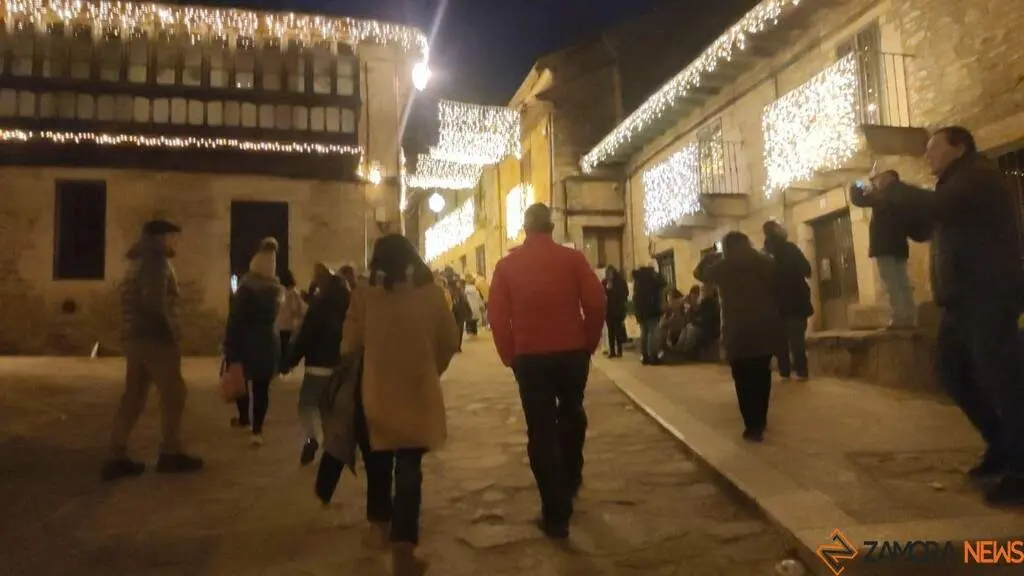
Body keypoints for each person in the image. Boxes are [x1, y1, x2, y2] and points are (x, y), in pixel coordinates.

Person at [870, 126, 1024, 504]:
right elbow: (925, 228)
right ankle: (1002, 445)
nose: (928, 155)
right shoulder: (952, 185)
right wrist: (884, 203)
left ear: (959, 148)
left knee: (1003, 381)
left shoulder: (978, 177)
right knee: (952, 372)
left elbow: (936, 210)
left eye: (934, 148)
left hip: (989, 294)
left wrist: (893, 189)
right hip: (960, 300)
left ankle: (1021, 467)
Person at [341, 234, 459, 575]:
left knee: (377, 463)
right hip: (417, 393)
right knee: (409, 470)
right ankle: (404, 548)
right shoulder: (432, 295)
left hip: (375, 391)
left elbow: (349, 344)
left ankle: (378, 525)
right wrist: (429, 368)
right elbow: (449, 341)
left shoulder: (364, 297)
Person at [488, 203, 606, 539]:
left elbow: (497, 316)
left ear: (525, 229)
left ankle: (556, 513)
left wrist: (509, 354)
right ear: (551, 228)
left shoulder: (507, 266)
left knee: (541, 430)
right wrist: (589, 341)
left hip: (531, 357)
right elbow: (596, 302)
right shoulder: (573, 260)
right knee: (571, 413)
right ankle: (570, 477)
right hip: (571, 352)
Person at [102, 219, 203, 481]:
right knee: (174, 395)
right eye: (171, 236)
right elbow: (154, 302)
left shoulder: (137, 261)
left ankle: (115, 454)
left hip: (135, 338)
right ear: (159, 237)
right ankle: (171, 451)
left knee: (133, 397)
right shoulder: (155, 262)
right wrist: (170, 334)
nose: (175, 241)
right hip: (155, 339)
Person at [695, 232, 782, 442]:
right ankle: (760, 420)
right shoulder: (762, 261)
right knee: (762, 376)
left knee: (743, 380)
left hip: (737, 329)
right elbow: (774, 270)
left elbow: (699, 273)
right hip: (762, 326)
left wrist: (713, 255)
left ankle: (751, 426)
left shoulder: (723, 267)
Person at [284, 264, 349, 465]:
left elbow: (306, 336)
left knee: (307, 404)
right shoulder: (351, 305)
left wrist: (290, 360)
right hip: (340, 365)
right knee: (330, 408)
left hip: (317, 365)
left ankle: (312, 438)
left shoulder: (319, 306)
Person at [224, 237, 283, 446]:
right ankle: (257, 429)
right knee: (261, 386)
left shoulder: (246, 287)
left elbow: (236, 318)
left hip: (246, 340)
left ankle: (244, 418)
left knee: (242, 379)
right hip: (267, 341)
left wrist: (229, 345)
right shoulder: (276, 289)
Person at [849, 167, 922, 328]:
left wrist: (859, 182)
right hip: (899, 245)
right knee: (902, 281)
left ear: (889, 178)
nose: (876, 180)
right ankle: (909, 316)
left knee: (891, 282)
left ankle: (899, 317)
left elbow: (859, 199)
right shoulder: (901, 194)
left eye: (880, 178)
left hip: (885, 245)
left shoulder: (886, 194)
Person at [762, 220, 813, 380]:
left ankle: (784, 371)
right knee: (797, 338)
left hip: (775, 303)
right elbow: (807, 269)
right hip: (796, 299)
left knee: (780, 338)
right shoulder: (790, 249)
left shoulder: (764, 255)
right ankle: (801, 371)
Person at [632, 264, 667, 365]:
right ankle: (653, 356)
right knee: (653, 333)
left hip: (641, 311)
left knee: (644, 333)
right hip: (652, 310)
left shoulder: (638, 280)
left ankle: (645, 356)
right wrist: (657, 274)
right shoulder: (652, 279)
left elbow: (636, 297)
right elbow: (663, 283)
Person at [276, 269, 306, 374]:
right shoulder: (293, 292)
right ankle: (283, 368)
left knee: (281, 347)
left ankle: (281, 368)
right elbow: (299, 309)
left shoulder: (281, 291)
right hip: (287, 324)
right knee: (285, 347)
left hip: (279, 324)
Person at [603, 266, 629, 358]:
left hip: (618, 310)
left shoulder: (620, 282)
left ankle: (619, 351)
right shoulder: (604, 282)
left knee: (618, 332)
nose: (609, 275)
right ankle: (612, 351)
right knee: (610, 332)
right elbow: (601, 294)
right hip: (608, 310)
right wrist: (607, 290)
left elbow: (625, 293)